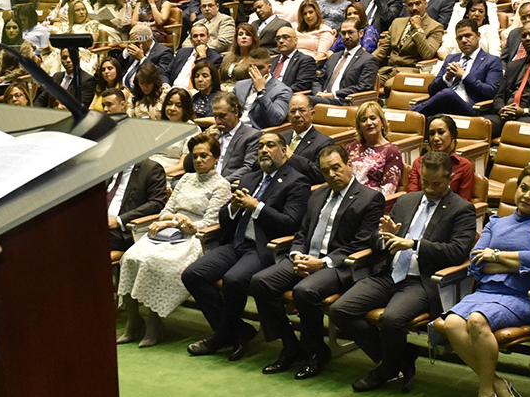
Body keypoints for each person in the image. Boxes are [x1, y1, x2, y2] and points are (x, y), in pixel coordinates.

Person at [331, 150, 479, 393]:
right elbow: (376, 241)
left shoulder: (462, 209)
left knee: (391, 319)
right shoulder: (407, 201)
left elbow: (456, 251)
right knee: (340, 310)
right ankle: (400, 358)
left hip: (421, 280)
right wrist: (383, 236)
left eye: (436, 183)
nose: (429, 188)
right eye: (425, 181)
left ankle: (387, 369)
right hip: (389, 273)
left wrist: (415, 244)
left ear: (450, 178)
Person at [435, 162, 530, 397]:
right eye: (523, 188)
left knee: (476, 320)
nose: (527, 196)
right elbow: (475, 261)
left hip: (521, 297)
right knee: (451, 323)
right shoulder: (496, 222)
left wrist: (495, 256)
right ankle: (498, 385)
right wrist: (515, 263)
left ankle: (485, 393)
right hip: (485, 292)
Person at [251, 142, 384, 379]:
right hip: (306, 258)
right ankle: (290, 346)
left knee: (305, 291)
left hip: (339, 266)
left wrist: (322, 263)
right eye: (325, 171)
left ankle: (316, 351)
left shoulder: (369, 198)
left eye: (336, 168)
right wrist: (297, 254)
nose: (331, 175)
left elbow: (361, 244)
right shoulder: (318, 194)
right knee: (261, 282)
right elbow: (302, 232)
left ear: (349, 165)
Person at [182, 129, 307, 358]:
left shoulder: (296, 182)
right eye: (260, 146)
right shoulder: (250, 177)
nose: (264, 150)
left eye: (270, 145)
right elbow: (223, 218)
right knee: (193, 275)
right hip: (235, 243)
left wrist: (256, 206)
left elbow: (290, 224)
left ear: (284, 151)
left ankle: (222, 335)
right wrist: (233, 207)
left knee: (234, 279)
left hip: (263, 247)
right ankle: (237, 330)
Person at [115, 133, 227, 349]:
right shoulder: (185, 179)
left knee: (156, 263)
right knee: (130, 257)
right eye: (195, 156)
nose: (199, 160)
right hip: (169, 231)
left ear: (215, 158)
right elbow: (165, 211)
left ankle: (155, 322)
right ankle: (134, 320)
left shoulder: (221, 185)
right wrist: (172, 221)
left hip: (195, 238)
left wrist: (178, 223)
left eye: (204, 156)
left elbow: (209, 223)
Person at [420, 20, 503, 116]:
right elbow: (431, 90)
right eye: (460, 38)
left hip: (471, 108)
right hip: (444, 107)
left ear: (478, 36)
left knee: (448, 93)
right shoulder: (451, 58)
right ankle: (412, 116)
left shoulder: (492, 61)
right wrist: (446, 78)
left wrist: (465, 75)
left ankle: (410, 114)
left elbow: (491, 92)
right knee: (428, 118)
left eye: (468, 36)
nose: (464, 40)